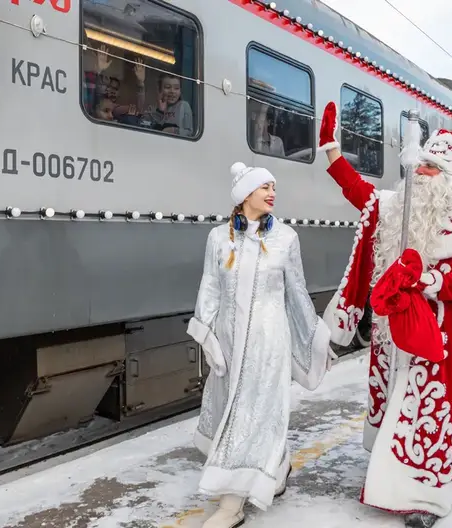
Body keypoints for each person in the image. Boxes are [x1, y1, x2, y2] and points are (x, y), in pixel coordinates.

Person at [317, 101, 452, 528]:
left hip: (437, 338)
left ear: (450, 180)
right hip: (392, 336)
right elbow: (358, 193)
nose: (420, 174)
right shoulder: (394, 208)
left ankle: (428, 494)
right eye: (420, 166)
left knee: (431, 413)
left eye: (431, 170)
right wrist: (331, 150)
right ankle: (392, 481)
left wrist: (435, 284)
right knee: (397, 407)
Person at [187, 161, 334, 528]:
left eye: (273, 187)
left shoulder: (286, 238)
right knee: (230, 409)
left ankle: (232, 502)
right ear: (244, 195)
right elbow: (210, 286)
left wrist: (317, 335)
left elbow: (297, 293)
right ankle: (278, 465)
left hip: (269, 342)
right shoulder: (219, 238)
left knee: (254, 413)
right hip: (228, 339)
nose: (272, 192)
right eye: (264, 187)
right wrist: (206, 335)